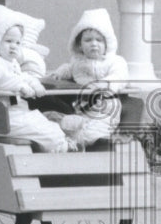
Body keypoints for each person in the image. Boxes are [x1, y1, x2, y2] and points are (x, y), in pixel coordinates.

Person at [0, 4, 69, 153]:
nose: (14, 47)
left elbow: (21, 76)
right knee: (48, 132)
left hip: (12, 113)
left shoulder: (7, 61)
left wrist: (34, 84)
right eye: (8, 41)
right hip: (2, 117)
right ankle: (63, 149)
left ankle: (62, 147)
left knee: (47, 125)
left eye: (17, 43)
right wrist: (21, 87)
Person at [43, 8, 128, 149]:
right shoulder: (77, 62)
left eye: (99, 40)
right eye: (88, 40)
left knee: (100, 125)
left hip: (105, 103)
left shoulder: (115, 61)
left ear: (107, 43)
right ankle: (77, 141)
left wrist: (105, 84)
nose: (94, 44)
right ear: (79, 45)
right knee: (76, 123)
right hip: (82, 105)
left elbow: (120, 76)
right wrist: (58, 73)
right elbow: (68, 69)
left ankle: (96, 140)